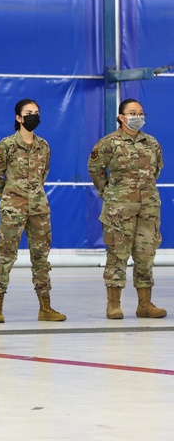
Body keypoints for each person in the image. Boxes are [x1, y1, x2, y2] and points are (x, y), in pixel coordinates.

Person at [0, 99, 66, 323]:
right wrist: (9, 197)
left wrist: (32, 195)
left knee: (41, 258)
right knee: (5, 256)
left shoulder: (44, 146)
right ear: (18, 118)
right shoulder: (5, 146)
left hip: (39, 209)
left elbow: (44, 174)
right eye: (28, 113)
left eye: (37, 112)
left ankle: (45, 307)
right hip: (13, 209)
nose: (33, 116)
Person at [89, 98, 166, 320]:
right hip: (119, 209)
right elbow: (95, 170)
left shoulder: (151, 143)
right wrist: (110, 193)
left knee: (146, 255)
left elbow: (155, 171)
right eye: (133, 113)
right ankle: (113, 305)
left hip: (148, 208)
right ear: (121, 117)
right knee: (117, 254)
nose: (138, 116)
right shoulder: (108, 143)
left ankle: (145, 304)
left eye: (141, 112)